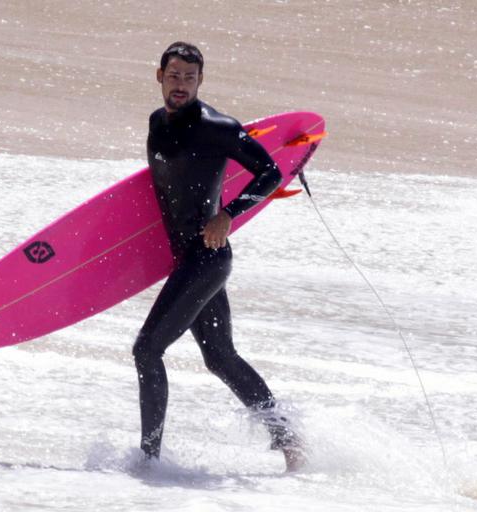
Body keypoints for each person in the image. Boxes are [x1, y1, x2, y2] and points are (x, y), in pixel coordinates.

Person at [132, 41, 305, 471]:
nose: (181, 85)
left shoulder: (217, 126)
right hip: (187, 259)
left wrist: (228, 214)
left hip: (206, 257)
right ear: (159, 77)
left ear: (200, 81)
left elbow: (270, 172)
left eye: (189, 78)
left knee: (147, 350)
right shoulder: (157, 122)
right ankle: (289, 440)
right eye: (173, 76)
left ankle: (149, 458)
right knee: (220, 357)